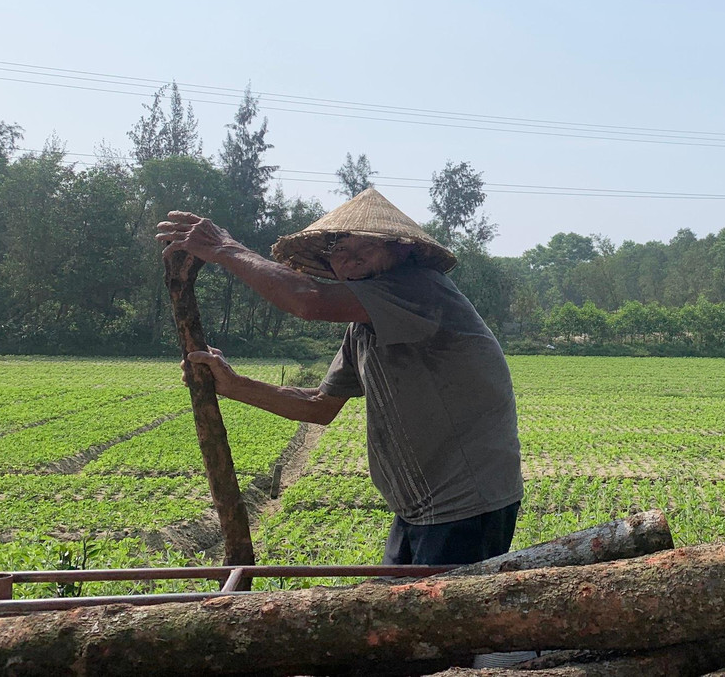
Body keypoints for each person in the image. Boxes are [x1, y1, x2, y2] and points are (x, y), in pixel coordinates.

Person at [155, 186, 524, 566]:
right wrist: (232, 385)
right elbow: (320, 406)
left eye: (365, 246)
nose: (350, 260)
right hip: (418, 506)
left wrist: (223, 248)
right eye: (340, 251)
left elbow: (308, 300)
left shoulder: (421, 289)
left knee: (435, 621)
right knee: (397, 613)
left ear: (401, 249)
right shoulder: (363, 327)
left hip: (466, 504)